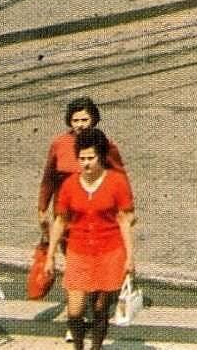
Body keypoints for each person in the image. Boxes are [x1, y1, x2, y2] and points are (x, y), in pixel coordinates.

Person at [47, 127, 135, 350]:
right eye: (81, 158)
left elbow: (125, 220)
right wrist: (50, 256)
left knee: (99, 309)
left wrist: (130, 258)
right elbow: (60, 221)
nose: (85, 163)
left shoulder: (117, 182)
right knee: (75, 310)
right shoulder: (69, 185)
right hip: (78, 252)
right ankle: (78, 346)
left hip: (110, 253)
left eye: (91, 158)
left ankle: (95, 347)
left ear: (101, 157)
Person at [36, 97, 125, 242]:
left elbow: (119, 178)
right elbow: (48, 179)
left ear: (93, 119)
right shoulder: (59, 143)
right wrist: (42, 209)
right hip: (65, 213)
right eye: (75, 121)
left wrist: (124, 210)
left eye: (84, 120)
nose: (80, 125)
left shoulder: (104, 144)